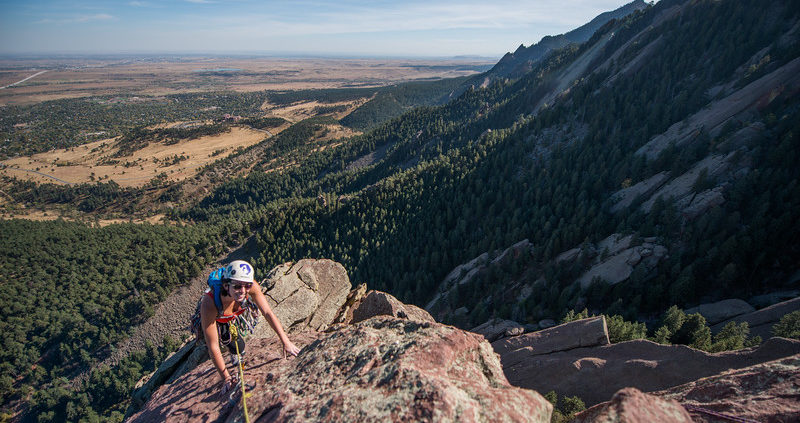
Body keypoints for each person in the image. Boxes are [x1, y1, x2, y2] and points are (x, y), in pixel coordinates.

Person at [199, 259, 300, 394]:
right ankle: (227, 339)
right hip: (217, 316)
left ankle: (232, 346)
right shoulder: (209, 303)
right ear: (225, 285)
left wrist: (286, 341)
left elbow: (268, 313)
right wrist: (227, 378)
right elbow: (213, 345)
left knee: (239, 347)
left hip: (232, 315)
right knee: (219, 341)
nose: (243, 291)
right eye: (237, 286)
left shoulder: (251, 287)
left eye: (247, 286)